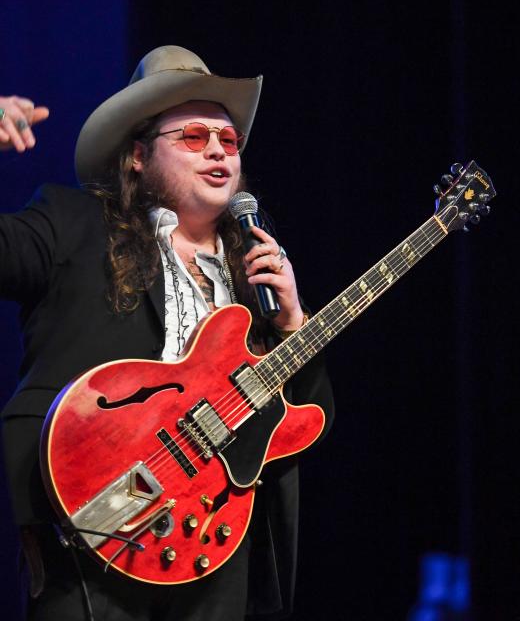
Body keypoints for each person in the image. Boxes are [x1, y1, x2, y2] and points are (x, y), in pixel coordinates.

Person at [0, 45, 334, 619]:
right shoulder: (71, 222)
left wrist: (292, 324)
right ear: (136, 156)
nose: (217, 153)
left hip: (213, 551)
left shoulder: (253, 279)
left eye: (228, 142)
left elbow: (303, 426)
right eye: (193, 137)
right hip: (93, 533)